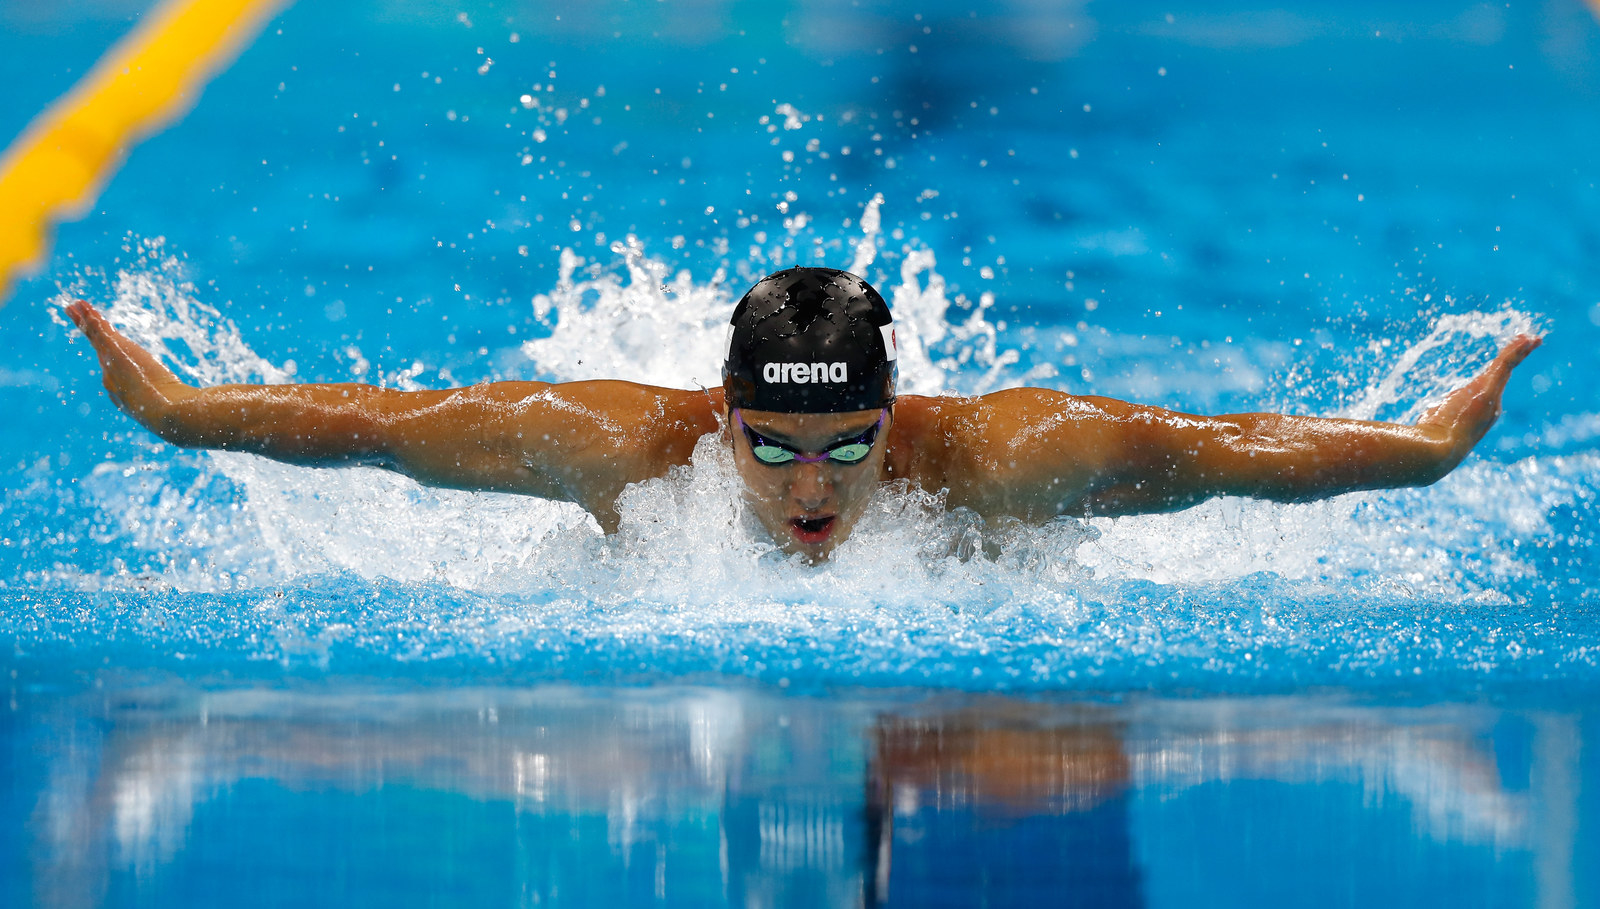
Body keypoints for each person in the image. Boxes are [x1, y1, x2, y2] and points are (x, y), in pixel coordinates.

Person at [64, 266, 1540, 562]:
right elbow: (388, 422)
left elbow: (1230, 458)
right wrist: (183, 411)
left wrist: (1424, 450)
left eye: (851, 447)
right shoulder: (620, 449)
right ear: (724, 418)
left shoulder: (1011, 459)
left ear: (902, 417)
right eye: (773, 447)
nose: (812, 490)